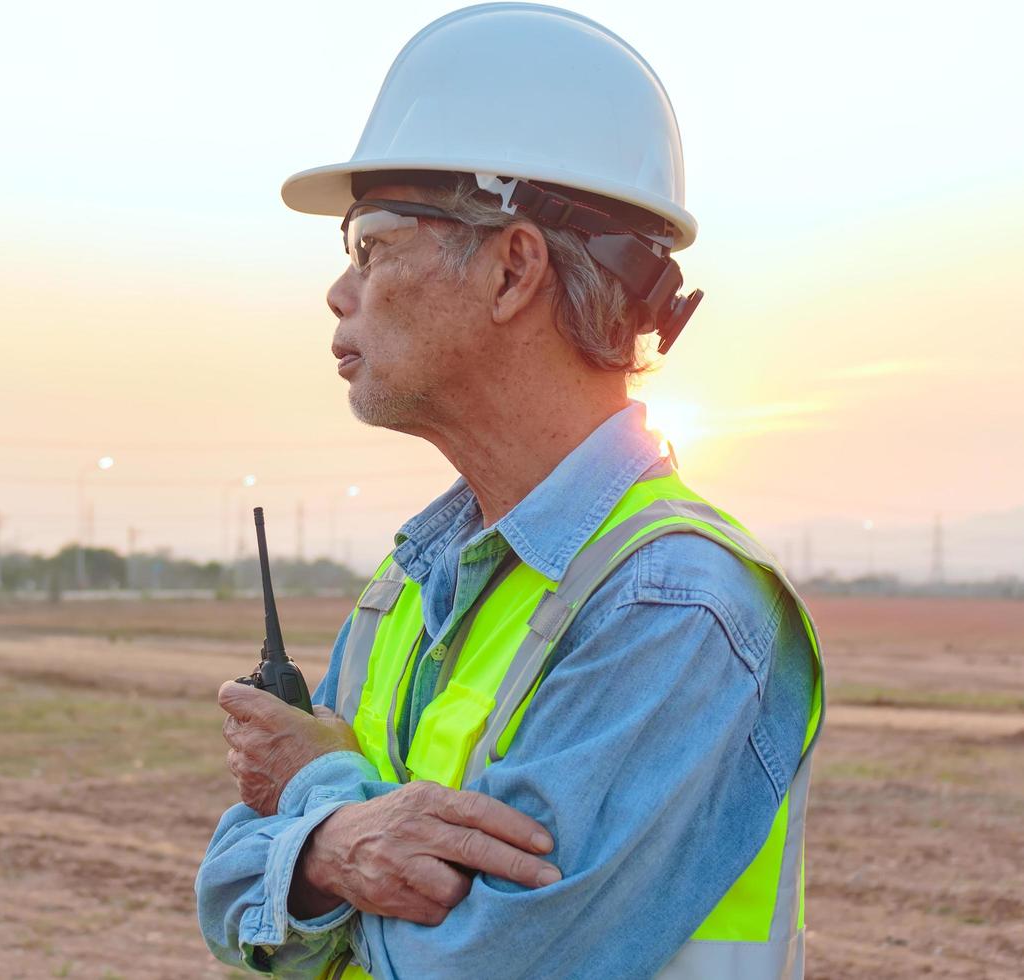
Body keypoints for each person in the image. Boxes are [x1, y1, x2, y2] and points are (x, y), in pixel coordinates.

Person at [195, 5, 824, 978]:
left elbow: (483, 961)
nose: (339, 290)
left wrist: (316, 799)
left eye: (370, 244)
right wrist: (333, 844)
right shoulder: (410, 582)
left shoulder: (678, 609)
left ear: (511, 267)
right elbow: (229, 890)